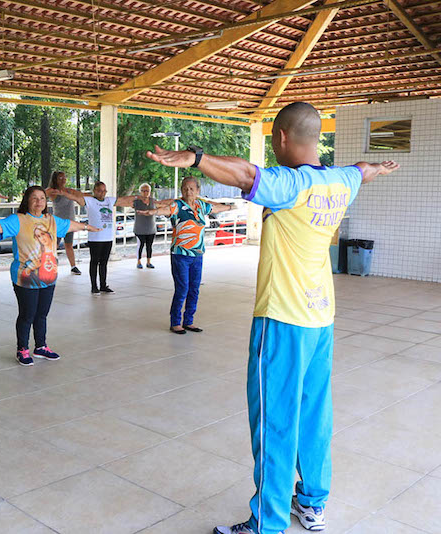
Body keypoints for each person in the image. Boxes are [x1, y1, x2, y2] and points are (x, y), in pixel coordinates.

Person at [146, 101, 399, 534]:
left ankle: (267, 523)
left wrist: (197, 158)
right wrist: (377, 165)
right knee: (314, 412)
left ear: (281, 137)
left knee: (274, 419)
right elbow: (362, 169)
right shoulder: (342, 180)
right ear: (316, 136)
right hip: (321, 318)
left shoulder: (291, 184)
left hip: (282, 319)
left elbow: (246, 175)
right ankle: (313, 503)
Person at [0, 186, 99, 366]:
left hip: (48, 276)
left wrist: (86, 226)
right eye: (35, 198)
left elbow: (69, 225)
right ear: (27, 201)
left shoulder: (51, 220)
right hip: (25, 277)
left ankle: (41, 346)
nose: (39, 202)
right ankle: (22, 349)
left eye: (42, 198)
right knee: (27, 314)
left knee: (42, 314)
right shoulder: (19, 220)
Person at [137, 176, 235, 334]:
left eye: (191, 189)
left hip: (197, 254)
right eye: (185, 188)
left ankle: (189, 320)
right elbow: (166, 210)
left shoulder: (201, 205)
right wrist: (152, 212)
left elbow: (215, 208)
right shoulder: (177, 205)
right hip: (180, 254)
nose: (188, 191)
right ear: (181, 190)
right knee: (182, 288)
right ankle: (175, 322)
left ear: (198, 191)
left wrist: (230, 207)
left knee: (194, 289)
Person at [48, 181, 138, 294]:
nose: (102, 193)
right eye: (100, 191)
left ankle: (103, 285)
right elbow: (76, 198)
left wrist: (137, 197)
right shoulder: (89, 200)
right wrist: (63, 193)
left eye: (104, 191)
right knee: (95, 261)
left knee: (104, 262)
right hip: (95, 238)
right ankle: (94, 286)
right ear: (94, 191)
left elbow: (123, 200)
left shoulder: (109, 200)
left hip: (108, 237)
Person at [45, 171, 82, 275]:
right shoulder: (52, 191)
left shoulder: (68, 190)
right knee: (53, 245)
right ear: (55, 180)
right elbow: (42, 193)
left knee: (69, 245)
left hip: (70, 223)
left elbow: (80, 195)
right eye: (60, 178)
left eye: (64, 177)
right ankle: (50, 265)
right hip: (58, 223)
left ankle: (73, 266)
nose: (63, 179)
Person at [133, 182, 158, 269]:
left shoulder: (153, 201)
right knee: (140, 245)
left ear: (150, 191)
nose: (145, 192)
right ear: (140, 192)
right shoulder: (136, 202)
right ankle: (139, 261)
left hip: (151, 228)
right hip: (140, 228)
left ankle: (149, 262)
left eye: (147, 191)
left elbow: (158, 210)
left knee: (149, 246)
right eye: (143, 191)